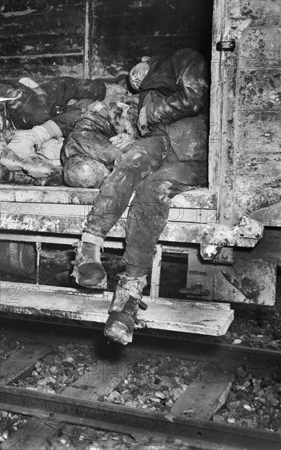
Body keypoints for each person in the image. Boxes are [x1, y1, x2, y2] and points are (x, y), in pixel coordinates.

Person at [72, 48, 209, 345]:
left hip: (188, 153)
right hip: (158, 142)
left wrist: (151, 112)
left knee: (152, 192)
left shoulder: (182, 57)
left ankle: (128, 298)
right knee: (130, 161)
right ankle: (88, 250)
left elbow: (195, 98)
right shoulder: (143, 95)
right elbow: (149, 127)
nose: (135, 80)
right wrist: (133, 135)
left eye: (137, 73)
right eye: (132, 82)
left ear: (147, 59)